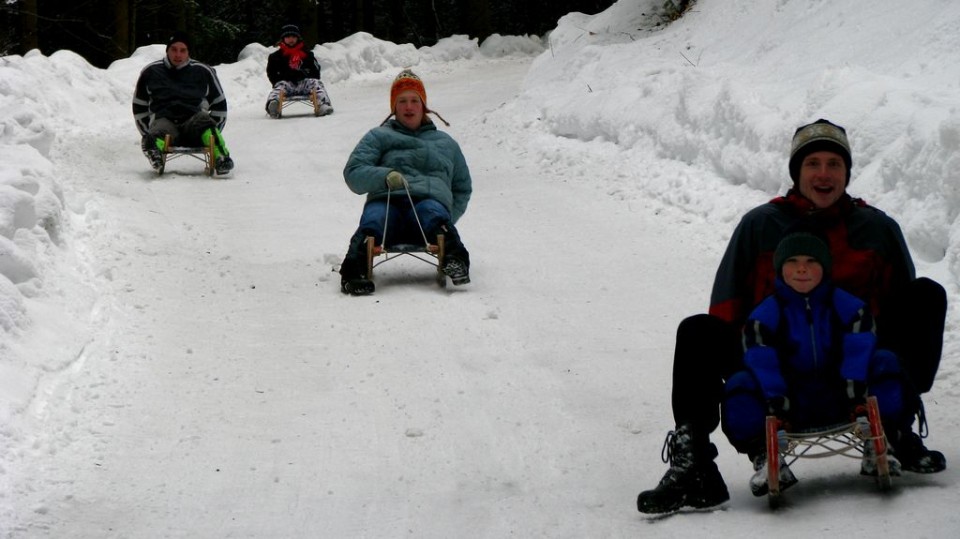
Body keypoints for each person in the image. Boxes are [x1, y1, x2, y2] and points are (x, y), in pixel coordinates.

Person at [637, 119, 947, 514]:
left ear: (847, 173)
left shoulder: (877, 228)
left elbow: (901, 308)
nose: (823, 174)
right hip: (777, 376)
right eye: (812, 163)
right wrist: (751, 379)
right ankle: (694, 463)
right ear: (796, 172)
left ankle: (896, 426)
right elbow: (727, 308)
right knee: (699, 330)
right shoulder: (761, 225)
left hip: (856, 371)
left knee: (925, 295)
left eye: (834, 164)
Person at [721, 230, 905, 497]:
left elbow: (859, 348)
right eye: (792, 262)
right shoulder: (764, 316)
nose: (802, 269)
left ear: (826, 268)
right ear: (780, 269)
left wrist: (855, 393)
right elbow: (762, 361)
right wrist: (776, 403)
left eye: (811, 261)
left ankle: (881, 441)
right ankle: (764, 455)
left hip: (844, 395)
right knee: (740, 385)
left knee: (885, 363)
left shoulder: (848, 307)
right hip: (791, 403)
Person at [338, 69, 472, 295]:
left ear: (423, 105)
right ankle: (354, 271)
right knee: (374, 219)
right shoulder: (378, 136)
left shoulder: (446, 143)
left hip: (429, 209)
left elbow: (462, 187)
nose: (408, 107)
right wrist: (383, 176)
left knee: (432, 212)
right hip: (388, 202)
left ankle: (456, 259)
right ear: (394, 107)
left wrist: (448, 217)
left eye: (413, 100)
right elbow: (353, 172)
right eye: (402, 101)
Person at [133, 32, 234, 175]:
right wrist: (146, 131)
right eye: (174, 49)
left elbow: (219, 103)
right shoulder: (151, 72)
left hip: (194, 122)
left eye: (182, 50)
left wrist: (214, 129)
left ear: (188, 52)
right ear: (167, 50)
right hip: (165, 120)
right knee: (158, 131)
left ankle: (221, 157)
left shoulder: (203, 71)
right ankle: (154, 150)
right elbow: (139, 105)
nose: (178, 55)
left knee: (204, 122)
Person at [264, 25, 334, 118]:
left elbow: (316, 71)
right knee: (278, 89)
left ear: (298, 38)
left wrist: (304, 74)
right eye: (288, 37)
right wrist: (283, 77)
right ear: (283, 39)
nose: (291, 39)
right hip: (286, 84)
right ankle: (274, 105)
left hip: (304, 83)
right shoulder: (275, 57)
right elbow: (271, 73)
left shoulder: (307, 54)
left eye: (293, 37)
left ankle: (322, 104)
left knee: (316, 84)